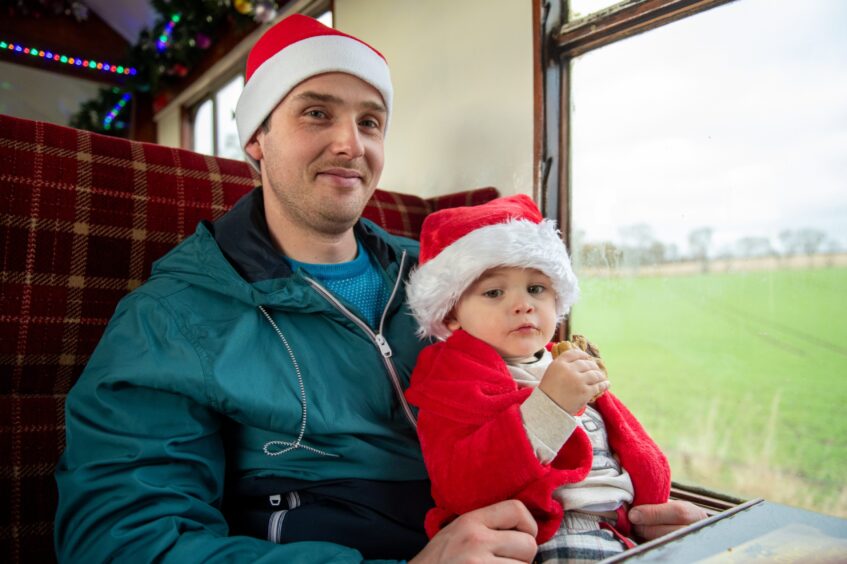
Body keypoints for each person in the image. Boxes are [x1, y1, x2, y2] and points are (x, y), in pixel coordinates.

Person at [54, 14, 706, 563]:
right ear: (255, 138)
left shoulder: (450, 275)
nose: (350, 143)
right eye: (316, 113)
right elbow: (122, 538)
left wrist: (618, 511)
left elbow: (534, 393)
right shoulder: (174, 315)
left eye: (370, 122)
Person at [404, 194, 673, 561]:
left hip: (621, 531)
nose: (523, 304)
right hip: (544, 538)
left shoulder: (563, 360)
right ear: (451, 315)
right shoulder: (451, 379)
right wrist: (550, 406)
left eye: (536, 289)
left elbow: (630, 441)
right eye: (494, 292)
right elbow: (462, 486)